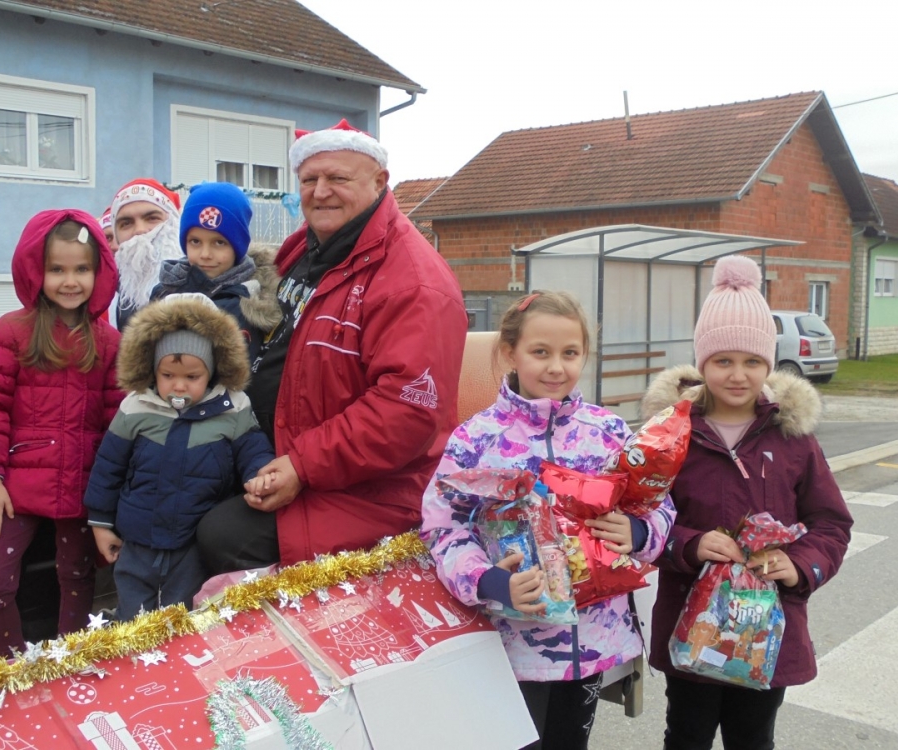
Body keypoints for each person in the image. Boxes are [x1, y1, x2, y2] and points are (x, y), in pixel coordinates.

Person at [197, 119, 468, 570]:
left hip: (372, 487)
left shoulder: (413, 282)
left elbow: (405, 413)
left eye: (338, 178)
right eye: (309, 180)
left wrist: (302, 466)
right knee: (173, 492)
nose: (320, 192)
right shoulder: (304, 248)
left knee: (222, 535)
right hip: (277, 447)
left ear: (380, 181)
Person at [420, 290, 676, 749]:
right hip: (511, 648)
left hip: (594, 641)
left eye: (570, 353)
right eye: (540, 352)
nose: (556, 367)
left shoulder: (609, 433)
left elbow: (657, 505)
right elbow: (443, 527)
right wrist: (489, 582)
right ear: (509, 353)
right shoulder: (476, 440)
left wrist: (637, 532)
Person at [641, 255, 853, 750]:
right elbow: (642, 519)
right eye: (723, 361)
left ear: (769, 364)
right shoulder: (669, 436)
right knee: (686, 735)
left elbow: (831, 523)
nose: (738, 375)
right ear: (702, 362)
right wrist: (689, 544)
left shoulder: (793, 438)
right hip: (691, 624)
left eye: (753, 361)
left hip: (767, 628)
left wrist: (799, 565)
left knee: (753, 737)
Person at [0, 209, 122, 657]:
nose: (70, 281)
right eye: (57, 269)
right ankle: (15, 668)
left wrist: (109, 495)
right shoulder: (9, 332)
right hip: (17, 485)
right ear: (36, 270)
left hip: (80, 484)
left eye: (81, 269)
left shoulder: (109, 342)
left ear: (98, 273)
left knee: (77, 576)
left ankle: (69, 659)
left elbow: (115, 422)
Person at [83, 294, 275, 620]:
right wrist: (101, 523)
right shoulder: (137, 407)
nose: (179, 386)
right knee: (132, 617)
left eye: (191, 377)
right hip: (138, 539)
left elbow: (252, 450)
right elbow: (109, 467)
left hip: (192, 541)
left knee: (183, 616)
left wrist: (260, 474)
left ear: (211, 371)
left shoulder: (232, 408)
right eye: (168, 375)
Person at [151, 182, 281, 360]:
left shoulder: (252, 302)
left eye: (219, 243)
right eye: (195, 241)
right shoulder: (164, 291)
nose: (205, 254)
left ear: (238, 247)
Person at [110, 178, 183, 329]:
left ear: (175, 224)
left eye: (152, 218)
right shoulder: (105, 297)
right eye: (126, 223)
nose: (140, 230)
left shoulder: (205, 281)